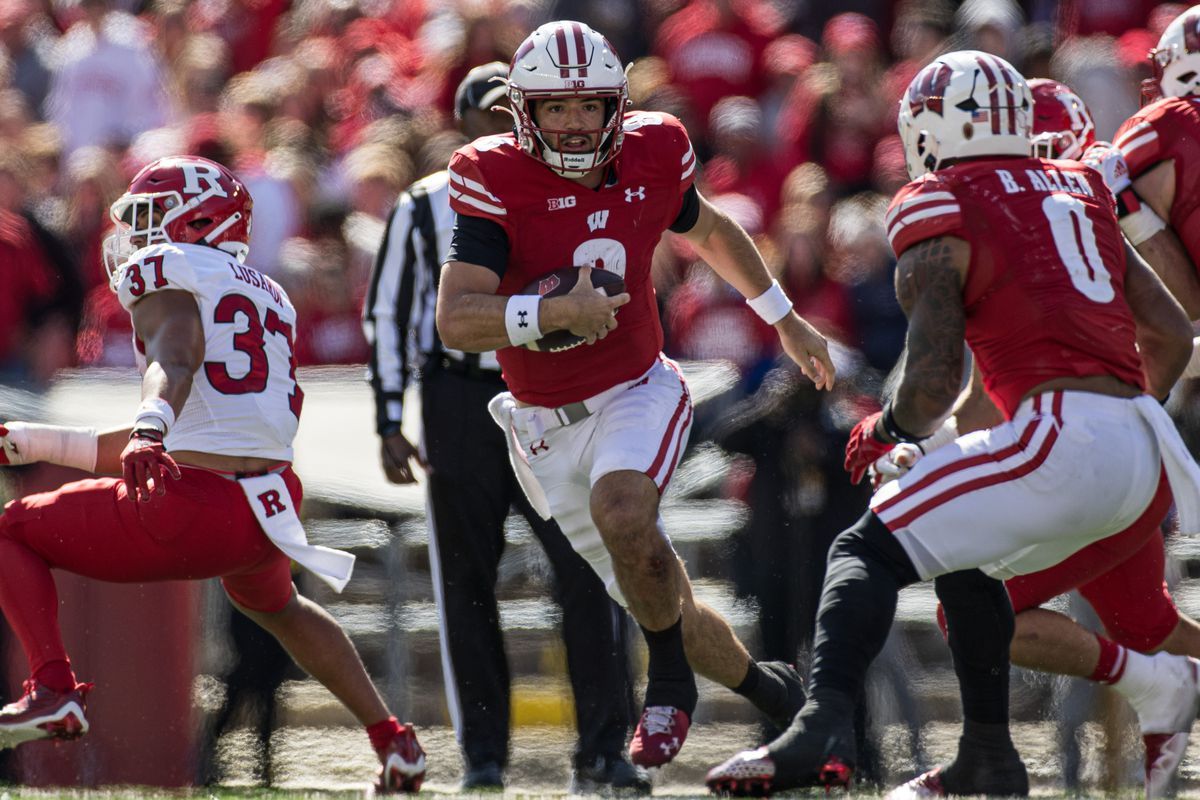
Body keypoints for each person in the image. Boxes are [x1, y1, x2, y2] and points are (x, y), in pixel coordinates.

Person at [706, 50, 1198, 796]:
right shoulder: (1083, 187)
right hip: (1140, 442)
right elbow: (1170, 331)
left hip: (1059, 436)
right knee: (974, 571)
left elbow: (934, 376)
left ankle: (817, 732)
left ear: (928, 128)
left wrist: (893, 430)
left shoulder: (939, 198)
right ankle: (989, 759)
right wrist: (1112, 421)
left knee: (862, 551)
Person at [435, 20, 834, 769]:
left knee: (624, 513)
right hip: (545, 425)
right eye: (556, 108)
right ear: (524, 114)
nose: (576, 124)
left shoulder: (653, 148)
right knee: (659, 594)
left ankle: (669, 688)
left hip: (637, 388)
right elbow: (457, 318)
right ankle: (777, 694)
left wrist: (784, 319)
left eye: (590, 106)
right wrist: (553, 314)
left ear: (617, 105)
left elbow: (710, 230)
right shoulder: (492, 174)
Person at [0, 156, 425, 792]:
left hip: (192, 508)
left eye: (148, 218)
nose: (137, 237)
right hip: (267, 509)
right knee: (279, 605)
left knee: (11, 529)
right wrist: (33, 440)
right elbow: (204, 434)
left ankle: (53, 686)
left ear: (196, 222)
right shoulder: (270, 294)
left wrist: (149, 423)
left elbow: (177, 353)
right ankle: (394, 741)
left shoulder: (168, 272)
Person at [867, 77, 1200, 798]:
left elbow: (1174, 325)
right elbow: (1168, 331)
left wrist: (910, 445)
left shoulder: (1016, 211)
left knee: (977, 605)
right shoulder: (1079, 196)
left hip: (1074, 454)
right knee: (1148, 626)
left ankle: (993, 763)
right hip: (1128, 455)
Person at [363, 62, 644, 792]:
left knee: (589, 568)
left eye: (509, 112)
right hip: (461, 395)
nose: (501, 126)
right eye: (488, 113)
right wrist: (389, 416)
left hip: (558, 391)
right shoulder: (426, 202)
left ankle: (605, 747)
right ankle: (485, 755)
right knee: (465, 580)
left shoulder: (577, 190)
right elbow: (392, 313)